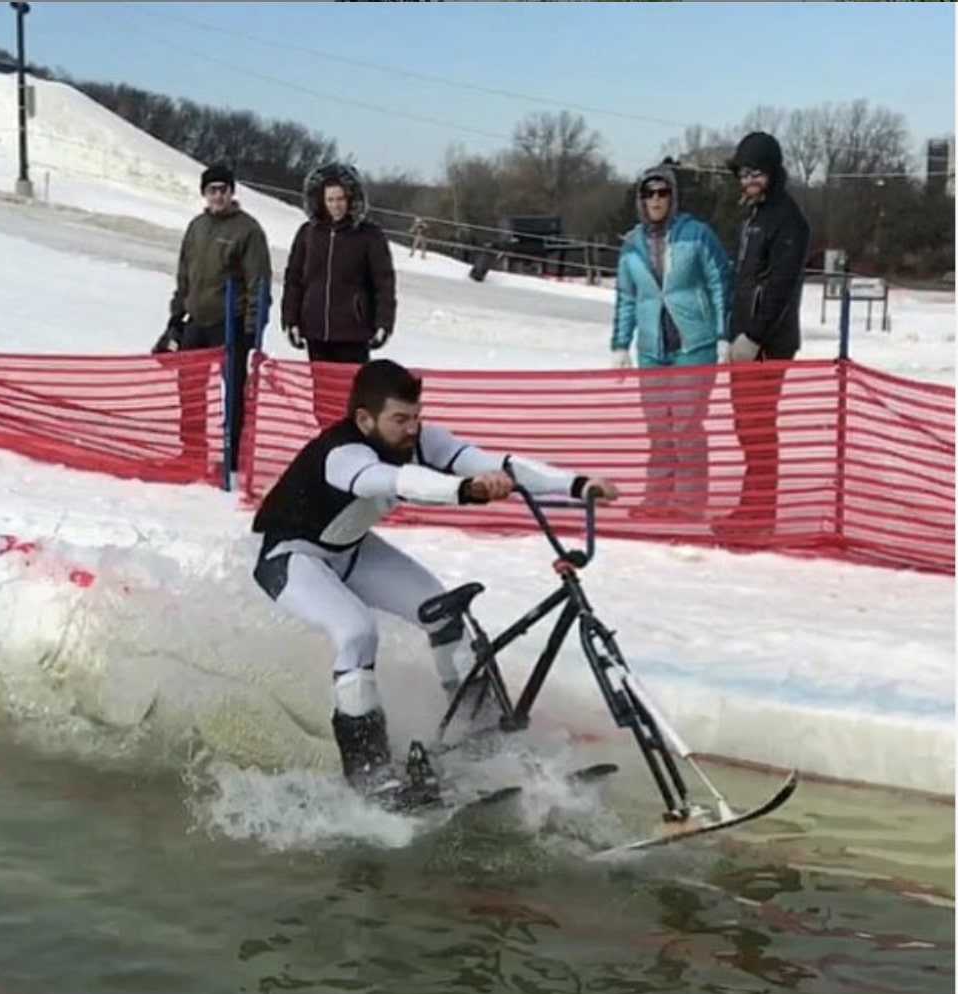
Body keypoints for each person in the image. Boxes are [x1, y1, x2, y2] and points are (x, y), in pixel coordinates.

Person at [251, 358, 620, 798]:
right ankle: (369, 772)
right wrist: (465, 491)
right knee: (355, 631)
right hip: (290, 557)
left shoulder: (422, 440)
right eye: (400, 419)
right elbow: (399, 480)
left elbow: (494, 463)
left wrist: (576, 484)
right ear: (365, 419)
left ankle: (479, 738)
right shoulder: (342, 454)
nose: (412, 429)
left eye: (416, 417)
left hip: (349, 551)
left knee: (442, 613)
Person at [609, 162, 731, 520]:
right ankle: (657, 498)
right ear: (640, 199)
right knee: (658, 428)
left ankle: (689, 503)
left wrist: (723, 334)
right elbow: (627, 298)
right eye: (649, 193)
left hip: (694, 345)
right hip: (652, 349)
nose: (656, 199)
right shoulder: (631, 245)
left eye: (663, 192)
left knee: (686, 427)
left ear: (673, 197)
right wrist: (620, 344)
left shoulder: (697, 234)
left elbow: (719, 285)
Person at [714, 130, 810, 538]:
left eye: (757, 173)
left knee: (757, 427)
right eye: (744, 173)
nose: (749, 180)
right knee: (745, 426)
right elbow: (744, 282)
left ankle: (759, 516)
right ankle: (751, 508)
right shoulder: (752, 218)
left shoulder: (788, 220)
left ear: (773, 172)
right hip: (745, 339)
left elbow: (780, 287)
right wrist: (731, 332)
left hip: (768, 342)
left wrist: (754, 335)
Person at [159, 163, 272, 468]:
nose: (218, 195)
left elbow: (258, 283)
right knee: (190, 389)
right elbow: (185, 275)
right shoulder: (197, 227)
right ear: (204, 194)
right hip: (197, 321)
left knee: (232, 392)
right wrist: (176, 315)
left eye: (223, 189)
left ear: (232, 192)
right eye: (212, 190)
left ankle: (232, 457)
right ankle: (193, 451)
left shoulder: (247, 230)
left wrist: (251, 329)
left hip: (229, 324)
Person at [281, 162, 396, 426]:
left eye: (341, 199)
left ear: (351, 199)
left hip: (353, 332)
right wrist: (291, 319)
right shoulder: (308, 233)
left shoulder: (369, 235)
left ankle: (356, 448)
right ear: (320, 201)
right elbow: (294, 279)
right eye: (330, 199)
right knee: (322, 398)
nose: (336, 205)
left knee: (353, 397)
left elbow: (384, 282)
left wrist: (383, 323)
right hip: (316, 331)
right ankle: (328, 447)